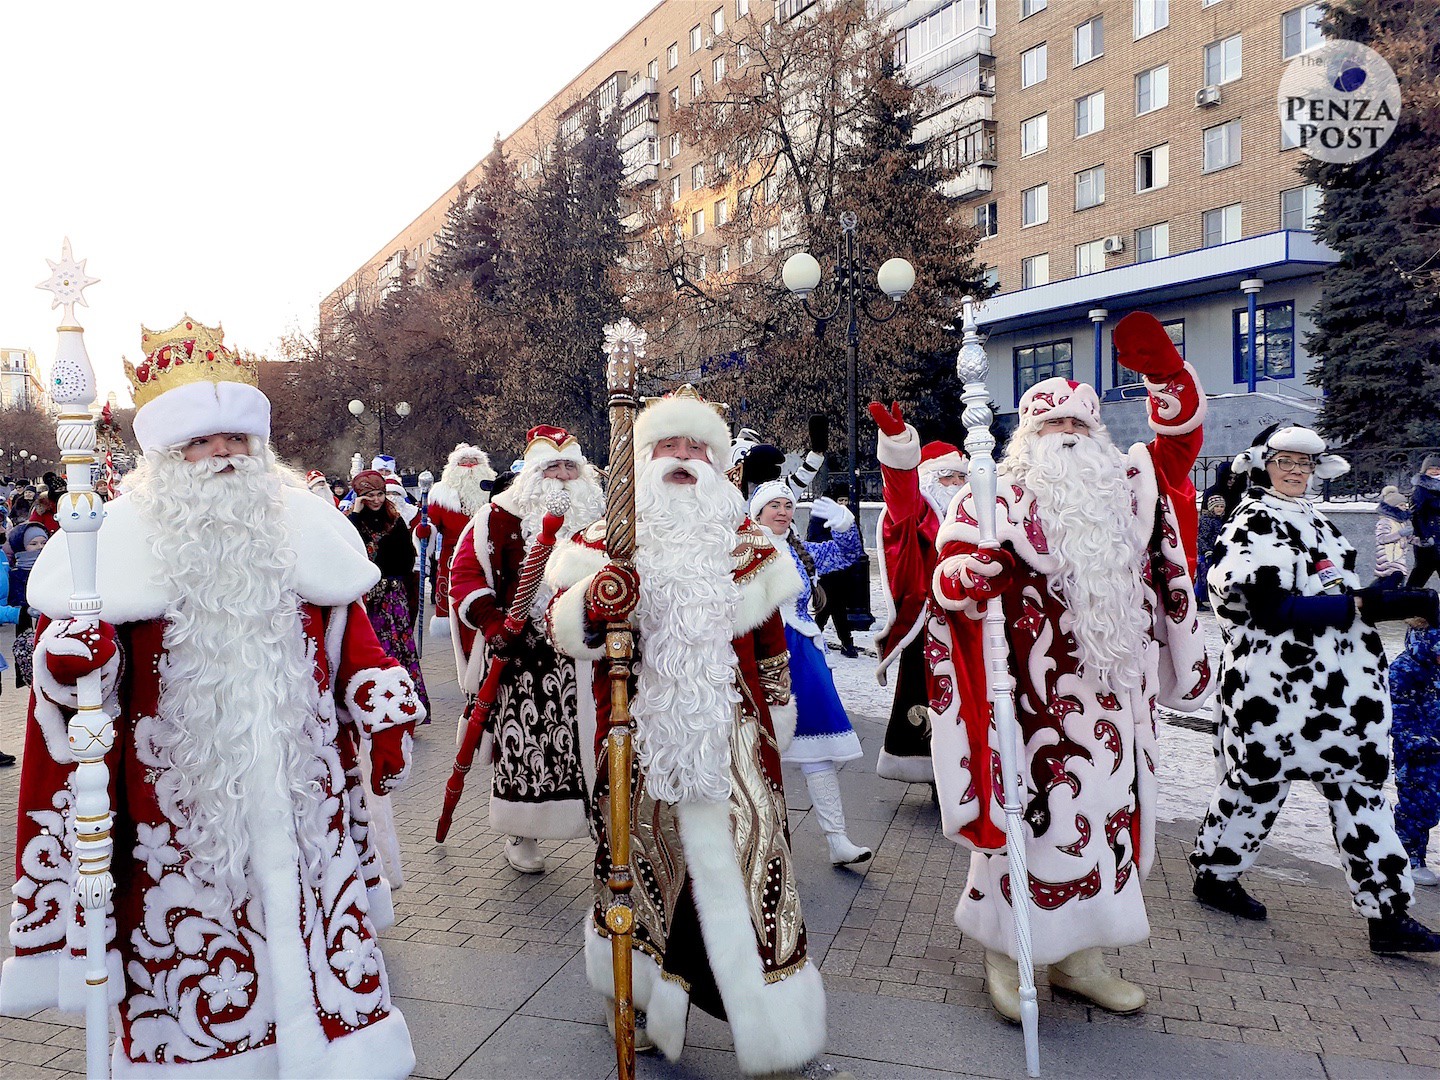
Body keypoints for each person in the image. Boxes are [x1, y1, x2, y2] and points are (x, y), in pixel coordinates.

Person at [0, 316, 421, 1076]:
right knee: (201, 990)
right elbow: (72, 695)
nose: (222, 455)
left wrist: (380, 706)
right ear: (165, 455)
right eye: (201, 441)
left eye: (237, 440)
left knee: (324, 980)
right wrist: (73, 659)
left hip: (302, 810)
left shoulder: (299, 526)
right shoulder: (115, 544)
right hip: (179, 820)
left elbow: (349, 631)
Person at [931, 312, 1212, 1020]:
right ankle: (1010, 950)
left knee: (1108, 820)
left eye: (1079, 430)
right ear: (1027, 439)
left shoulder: (1125, 489)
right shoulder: (992, 495)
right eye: (1052, 430)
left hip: (1116, 702)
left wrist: (1168, 379)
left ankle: (1082, 955)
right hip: (1029, 702)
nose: (1068, 438)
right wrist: (972, 575)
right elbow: (945, 578)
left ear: (1097, 436)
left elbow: (1178, 450)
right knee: (1032, 823)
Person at [547, 386, 825, 1075]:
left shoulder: (750, 546)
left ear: (718, 461)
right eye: (667, 445)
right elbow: (565, 626)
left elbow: (769, 643)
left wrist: (779, 710)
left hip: (736, 736)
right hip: (634, 732)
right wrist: (598, 598)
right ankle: (637, 996)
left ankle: (771, 1014)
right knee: (639, 864)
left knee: (757, 858)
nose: (682, 457)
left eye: (695, 446)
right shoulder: (599, 543)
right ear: (640, 459)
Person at [1191, 423, 1440, 954]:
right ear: (1262, 463)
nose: (1296, 471)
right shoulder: (1252, 522)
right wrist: (1368, 606)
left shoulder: (1315, 519)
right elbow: (1271, 609)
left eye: (1305, 463)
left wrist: (1393, 596)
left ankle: (1387, 914)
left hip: (1340, 693)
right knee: (1255, 787)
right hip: (1273, 691)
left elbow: (1332, 589)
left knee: (1361, 792)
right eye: (1285, 460)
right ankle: (1215, 875)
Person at [447, 425, 605, 872]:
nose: (560, 475)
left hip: (593, 652)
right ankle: (522, 830)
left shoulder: (604, 518)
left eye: (568, 466)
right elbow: (465, 577)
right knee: (528, 748)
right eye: (550, 467)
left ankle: (606, 827)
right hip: (526, 655)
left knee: (599, 745)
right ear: (532, 473)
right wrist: (494, 624)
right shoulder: (496, 518)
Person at [750, 479, 872, 865]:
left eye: (788, 504)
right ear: (756, 513)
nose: (783, 511)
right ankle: (759, 845)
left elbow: (849, 555)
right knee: (754, 751)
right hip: (757, 655)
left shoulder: (802, 552)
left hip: (803, 652)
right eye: (774, 505)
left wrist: (844, 525)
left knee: (817, 748)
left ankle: (837, 840)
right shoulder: (740, 550)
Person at [870, 400, 968, 785]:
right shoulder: (920, 511)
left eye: (961, 478)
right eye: (948, 479)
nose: (957, 486)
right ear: (929, 481)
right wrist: (898, 451)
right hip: (929, 627)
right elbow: (901, 496)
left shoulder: (979, 512)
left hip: (973, 627)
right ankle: (935, 778)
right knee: (928, 701)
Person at [348, 469, 430, 717]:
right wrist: (355, 515)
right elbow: (348, 550)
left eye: (380, 494)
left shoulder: (396, 522)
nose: (376, 500)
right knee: (370, 648)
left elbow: (406, 560)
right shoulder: (352, 522)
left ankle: (406, 706)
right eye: (369, 495)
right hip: (365, 598)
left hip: (393, 598)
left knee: (399, 649)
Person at [426, 443, 496, 637]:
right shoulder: (440, 494)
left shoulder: (496, 489)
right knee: (456, 599)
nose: (469, 467)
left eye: (474, 462)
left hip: (490, 554)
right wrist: (424, 531)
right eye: (463, 462)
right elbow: (430, 525)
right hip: (454, 556)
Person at [1389, 626, 1440, 887]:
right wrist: (1425, 742)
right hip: (1416, 754)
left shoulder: (1435, 668)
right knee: (1416, 806)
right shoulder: (1405, 668)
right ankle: (1408, 858)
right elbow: (1397, 716)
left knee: (1432, 808)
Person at [1196, 461, 1246, 608]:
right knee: (1206, 572)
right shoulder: (1212, 492)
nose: (1232, 481)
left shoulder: (1235, 493)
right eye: (1229, 478)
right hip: (1212, 537)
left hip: (1229, 533)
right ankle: (1202, 597)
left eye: (1235, 478)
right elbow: (1206, 521)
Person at [1408, 455, 1440, 588]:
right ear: (1424, 470)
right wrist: (1424, 537)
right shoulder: (1420, 488)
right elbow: (1416, 514)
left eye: (1437, 468)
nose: (1434, 471)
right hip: (1429, 540)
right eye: (1430, 468)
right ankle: (1405, 603)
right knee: (1420, 575)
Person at [1375, 485, 1414, 587]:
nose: (1405, 508)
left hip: (1399, 558)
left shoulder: (1401, 522)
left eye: (1405, 505)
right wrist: (1400, 533)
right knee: (1389, 583)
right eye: (1401, 505)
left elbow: (1408, 538)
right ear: (1393, 507)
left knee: (1396, 581)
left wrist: (1421, 542)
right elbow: (1381, 538)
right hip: (1387, 560)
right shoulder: (1384, 522)